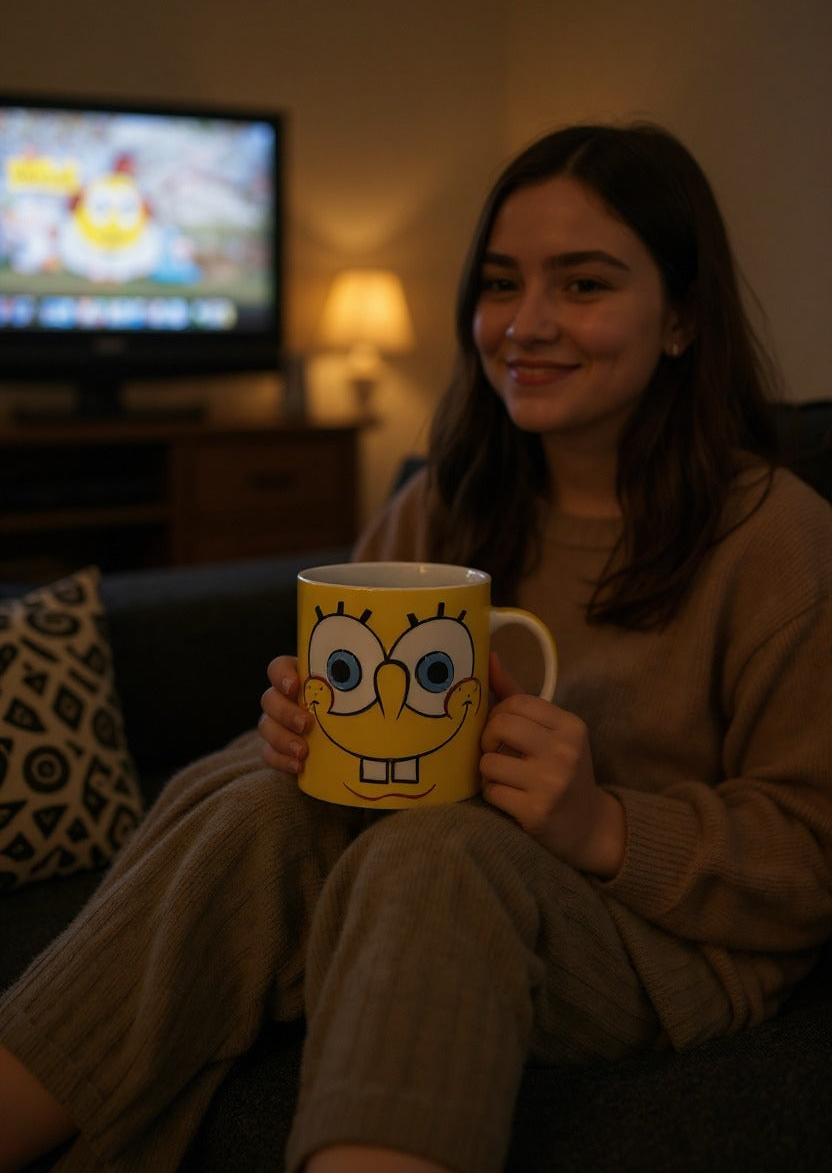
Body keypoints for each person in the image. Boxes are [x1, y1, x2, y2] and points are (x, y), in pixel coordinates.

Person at [2, 122, 831, 1173]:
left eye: (583, 285)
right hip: (433, 882)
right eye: (499, 283)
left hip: (664, 940)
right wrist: (293, 735)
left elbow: (811, 855)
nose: (525, 324)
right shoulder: (447, 504)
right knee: (270, 807)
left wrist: (606, 825)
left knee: (437, 849)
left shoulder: (777, 539)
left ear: (683, 318)